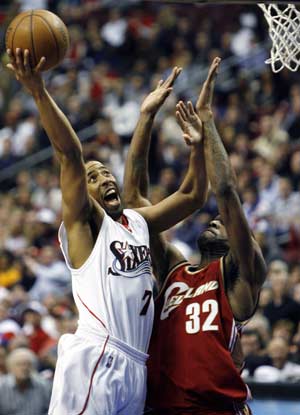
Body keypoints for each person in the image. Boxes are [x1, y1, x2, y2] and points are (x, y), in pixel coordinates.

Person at [7, 49, 207, 415]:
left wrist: (198, 146)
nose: (105, 178)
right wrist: (38, 91)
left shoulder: (139, 224)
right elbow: (69, 154)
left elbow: (193, 195)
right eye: (93, 177)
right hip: (97, 354)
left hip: (136, 366)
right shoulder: (85, 225)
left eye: (106, 172)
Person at [123, 58, 267, 414]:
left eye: (225, 223)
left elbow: (228, 194)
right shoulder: (175, 269)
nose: (217, 220)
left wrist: (207, 122)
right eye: (216, 219)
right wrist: (145, 119)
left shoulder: (238, 280)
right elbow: (135, 205)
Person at [0, 347, 52, 415]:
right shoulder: (2, 387)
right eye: (19, 364)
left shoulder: (44, 386)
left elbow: (50, 410)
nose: (24, 368)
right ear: (10, 367)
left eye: (28, 364)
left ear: (33, 367)